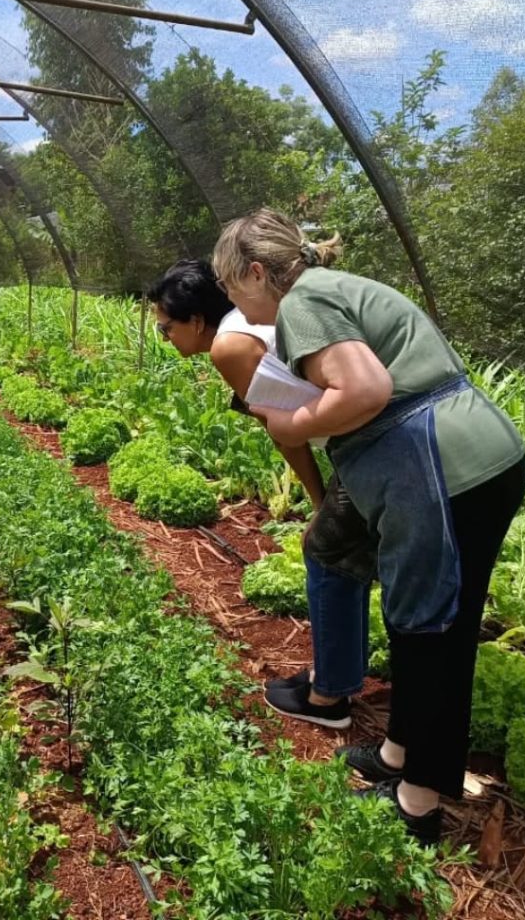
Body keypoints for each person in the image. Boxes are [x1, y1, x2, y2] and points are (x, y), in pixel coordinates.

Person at [212, 208, 525, 845]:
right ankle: (397, 752)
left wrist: (291, 423)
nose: (233, 302)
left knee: (433, 629)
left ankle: (418, 802)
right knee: (423, 618)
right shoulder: (334, 287)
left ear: (257, 272)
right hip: (467, 461)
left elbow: (364, 389)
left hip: (441, 470)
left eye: (230, 286)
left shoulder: (303, 302)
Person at [147, 259, 376, 730]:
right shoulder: (243, 324)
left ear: (196, 321)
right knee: (339, 552)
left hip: (369, 439)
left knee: (327, 552)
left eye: (166, 328)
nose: (165, 338)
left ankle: (330, 696)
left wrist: (319, 501)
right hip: (363, 435)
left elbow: (282, 428)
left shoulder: (230, 345)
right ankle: (336, 673)